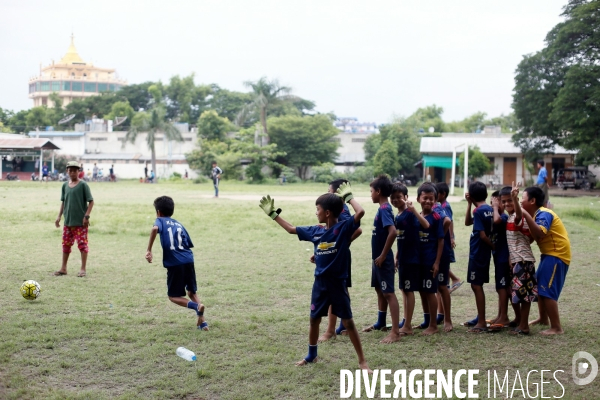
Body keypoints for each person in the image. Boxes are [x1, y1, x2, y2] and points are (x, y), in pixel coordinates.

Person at [259, 187, 371, 371]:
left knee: (349, 322)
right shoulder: (315, 230)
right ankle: (311, 355)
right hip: (319, 284)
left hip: (337, 284)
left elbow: (361, 212)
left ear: (327, 213)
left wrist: (349, 198)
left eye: (317, 209)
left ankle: (362, 361)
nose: (315, 212)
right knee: (314, 320)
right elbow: (290, 229)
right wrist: (273, 214)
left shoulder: (343, 228)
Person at [145, 196, 208, 331]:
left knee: (173, 296)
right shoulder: (178, 224)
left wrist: (149, 250)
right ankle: (203, 323)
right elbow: (187, 243)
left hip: (175, 263)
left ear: (158, 212)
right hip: (188, 259)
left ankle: (196, 307)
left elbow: (154, 229)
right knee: (191, 292)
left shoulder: (159, 220)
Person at [316, 179, 363, 342]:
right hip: (333, 255)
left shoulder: (341, 212)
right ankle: (343, 326)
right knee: (340, 290)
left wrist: (342, 244)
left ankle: (331, 330)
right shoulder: (339, 210)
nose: (327, 193)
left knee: (336, 290)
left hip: (339, 257)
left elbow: (358, 230)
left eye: (329, 190)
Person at [520, 186, 570, 335]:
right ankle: (543, 319)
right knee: (539, 287)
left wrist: (524, 214)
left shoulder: (544, 213)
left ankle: (557, 327)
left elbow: (540, 233)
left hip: (556, 255)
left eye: (522, 200)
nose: (521, 203)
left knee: (547, 290)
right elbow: (530, 239)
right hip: (548, 255)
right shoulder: (536, 216)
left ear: (533, 201)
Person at [362, 175, 401, 344]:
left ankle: (395, 332)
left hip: (382, 259)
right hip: (377, 259)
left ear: (378, 191)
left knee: (389, 293)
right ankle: (381, 323)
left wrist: (384, 255)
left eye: (371, 191)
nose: (370, 194)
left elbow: (393, 232)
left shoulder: (385, 209)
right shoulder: (381, 208)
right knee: (379, 290)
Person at [391, 183, 429, 337]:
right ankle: (406, 321)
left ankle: (408, 325)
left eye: (399, 197)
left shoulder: (410, 213)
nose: (395, 200)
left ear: (406, 197)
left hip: (412, 258)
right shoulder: (398, 215)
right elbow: (403, 238)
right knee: (404, 290)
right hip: (404, 258)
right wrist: (398, 255)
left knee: (409, 290)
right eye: (392, 198)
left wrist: (413, 210)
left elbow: (425, 225)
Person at [500, 182, 538, 335]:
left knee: (523, 295)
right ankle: (519, 321)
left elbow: (520, 215)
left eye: (509, 200)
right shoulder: (509, 217)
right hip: (516, 261)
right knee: (515, 293)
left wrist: (515, 199)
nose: (507, 203)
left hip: (523, 260)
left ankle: (524, 326)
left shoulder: (517, 215)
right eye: (504, 201)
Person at [413, 183, 445, 335]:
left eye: (431, 199)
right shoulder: (417, 216)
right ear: (418, 199)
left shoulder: (437, 217)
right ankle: (427, 320)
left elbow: (440, 240)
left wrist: (437, 262)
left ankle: (433, 325)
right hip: (417, 261)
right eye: (425, 198)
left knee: (430, 291)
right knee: (422, 291)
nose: (428, 201)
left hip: (430, 262)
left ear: (435, 200)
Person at [54, 161, 94, 277]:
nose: (72, 173)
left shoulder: (83, 185)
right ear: (67, 171)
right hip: (68, 222)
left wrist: (86, 216)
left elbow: (91, 201)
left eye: (75, 170)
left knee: (82, 245)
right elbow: (63, 202)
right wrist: (59, 216)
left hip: (80, 222)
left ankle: (83, 269)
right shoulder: (64, 185)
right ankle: (63, 268)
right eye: (70, 170)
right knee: (66, 244)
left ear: (79, 172)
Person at [463, 181, 494, 333]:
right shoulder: (488, 209)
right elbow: (468, 222)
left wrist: (492, 246)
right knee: (477, 284)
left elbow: (482, 235)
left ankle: (481, 321)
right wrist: (470, 204)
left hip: (478, 253)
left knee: (476, 285)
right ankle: (479, 316)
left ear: (472, 195)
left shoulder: (479, 211)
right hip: (483, 253)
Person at [489, 190, 515, 331]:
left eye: (496, 201)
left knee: (502, 287)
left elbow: (498, 220)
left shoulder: (503, 217)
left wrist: (494, 207)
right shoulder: (498, 215)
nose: (493, 204)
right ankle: (500, 315)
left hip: (503, 258)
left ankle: (504, 317)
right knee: (500, 287)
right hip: (498, 256)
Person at [431, 182, 455, 332]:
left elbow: (447, 221)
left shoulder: (438, 207)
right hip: (429, 253)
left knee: (442, 286)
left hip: (442, 251)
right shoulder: (426, 209)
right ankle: (434, 318)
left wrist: (443, 235)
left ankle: (448, 319)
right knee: (434, 288)